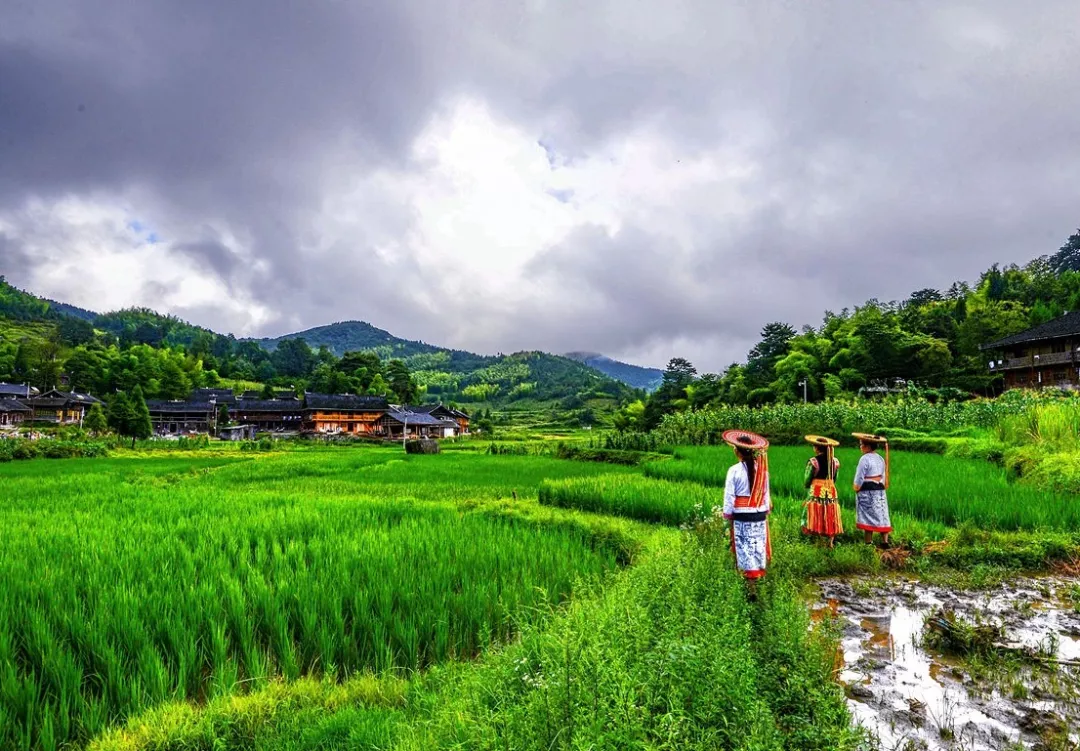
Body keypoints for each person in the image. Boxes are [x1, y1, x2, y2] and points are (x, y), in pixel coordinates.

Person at [722, 429, 771, 598]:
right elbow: (766, 495)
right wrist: (765, 511)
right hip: (758, 515)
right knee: (756, 546)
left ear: (737, 450)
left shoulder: (734, 470)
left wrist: (727, 515)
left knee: (744, 549)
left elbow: (729, 496)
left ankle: (750, 589)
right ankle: (754, 583)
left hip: (742, 516)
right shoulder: (762, 470)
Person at [801, 435, 842, 548]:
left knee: (816, 512)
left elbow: (807, 481)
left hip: (817, 490)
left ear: (816, 448)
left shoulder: (813, 462)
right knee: (830, 512)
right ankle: (830, 542)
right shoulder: (835, 462)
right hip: (831, 490)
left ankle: (818, 541)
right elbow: (834, 478)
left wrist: (808, 484)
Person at [852, 432, 891, 546]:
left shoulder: (864, 459)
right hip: (880, 490)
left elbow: (860, 476)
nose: (860, 447)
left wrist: (857, 486)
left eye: (861, 444)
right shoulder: (880, 458)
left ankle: (868, 542)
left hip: (867, 490)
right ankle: (885, 541)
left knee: (867, 515)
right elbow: (883, 475)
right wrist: (881, 484)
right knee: (882, 514)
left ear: (868, 446)